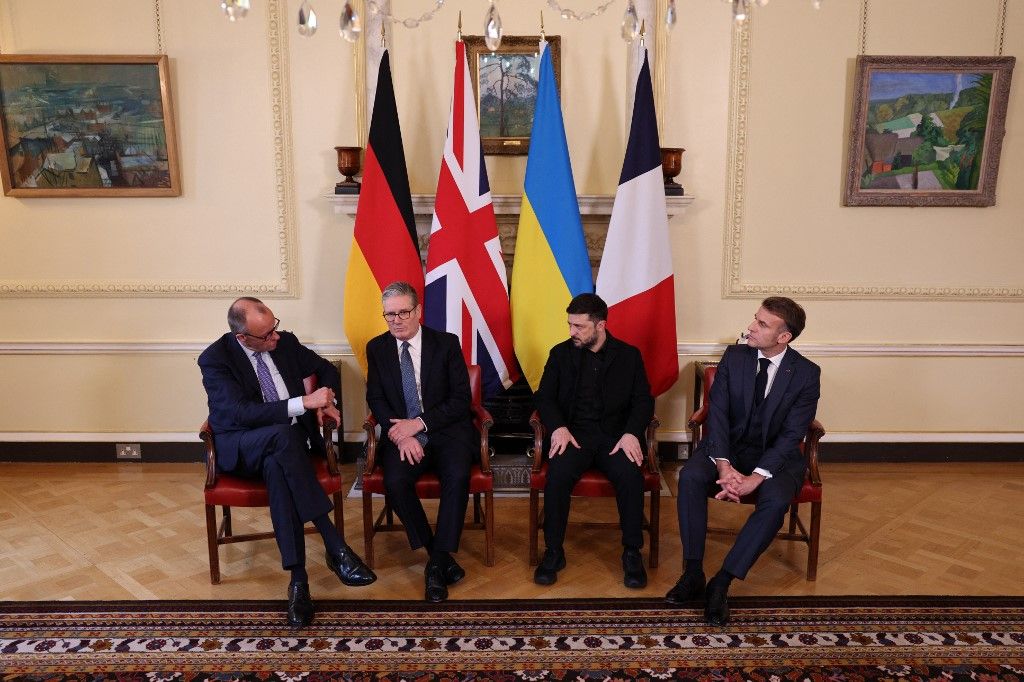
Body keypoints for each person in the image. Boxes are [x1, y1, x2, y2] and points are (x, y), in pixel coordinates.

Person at [198, 297, 376, 628]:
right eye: (267, 336)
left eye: (275, 327)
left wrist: (327, 402)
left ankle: (299, 583)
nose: (276, 338)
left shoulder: (285, 342)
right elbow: (241, 413)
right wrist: (304, 402)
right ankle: (335, 546)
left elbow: (324, 368)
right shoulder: (215, 360)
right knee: (283, 436)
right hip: (242, 446)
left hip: (284, 451)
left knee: (279, 462)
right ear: (243, 338)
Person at [666, 296, 820, 625]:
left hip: (775, 457)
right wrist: (723, 464)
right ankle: (693, 572)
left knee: (776, 499)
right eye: (755, 319)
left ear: (784, 337)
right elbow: (717, 414)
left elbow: (792, 435)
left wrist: (757, 476)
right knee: (691, 476)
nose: (751, 327)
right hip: (728, 448)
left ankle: (721, 583)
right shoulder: (735, 357)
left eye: (762, 324)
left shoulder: (807, 374)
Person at [532, 293, 655, 588]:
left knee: (630, 476)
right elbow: (544, 397)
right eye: (570, 325)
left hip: (615, 438)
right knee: (558, 475)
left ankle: (631, 552)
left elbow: (643, 402)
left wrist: (630, 433)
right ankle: (553, 551)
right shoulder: (560, 354)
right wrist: (558, 427)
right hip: (573, 436)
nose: (572, 332)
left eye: (579, 327)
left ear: (600, 325)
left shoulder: (629, 355)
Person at [365, 281, 477, 602]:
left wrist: (420, 423)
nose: (396, 320)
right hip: (402, 435)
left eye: (403, 312)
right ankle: (439, 557)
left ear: (418, 311)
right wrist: (399, 434)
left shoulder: (446, 344)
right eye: (389, 315)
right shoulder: (377, 347)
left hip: (446, 431)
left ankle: (435, 566)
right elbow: (376, 397)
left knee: (457, 476)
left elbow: (460, 399)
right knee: (396, 481)